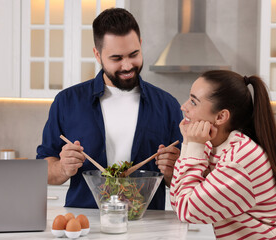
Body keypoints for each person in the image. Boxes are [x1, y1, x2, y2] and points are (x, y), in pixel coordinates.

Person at [37, 8, 183, 210]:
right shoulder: (67, 101)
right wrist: (62, 168)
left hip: (147, 224)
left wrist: (171, 171)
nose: (127, 66)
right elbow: (43, 170)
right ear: (97, 54)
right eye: (116, 58)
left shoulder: (168, 105)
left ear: (140, 44)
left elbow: (183, 181)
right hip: (86, 223)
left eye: (134, 54)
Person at [170, 70, 276, 239]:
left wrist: (191, 145)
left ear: (221, 116)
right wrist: (189, 143)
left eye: (193, 102)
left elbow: (187, 211)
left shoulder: (240, 160)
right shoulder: (210, 146)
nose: (183, 106)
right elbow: (179, 203)